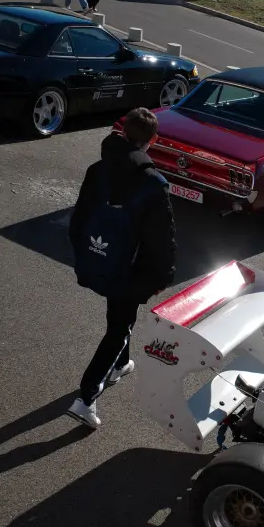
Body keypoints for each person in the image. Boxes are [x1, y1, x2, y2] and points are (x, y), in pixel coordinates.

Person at [67, 108, 177, 429]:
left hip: (100, 258)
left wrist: (87, 253)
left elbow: (79, 218)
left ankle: (120, 365)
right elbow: (162, 238)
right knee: (119, 328)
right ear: (153, 140)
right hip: (130, 269)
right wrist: (162, 275)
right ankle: (86, 398)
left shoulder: (97, 168)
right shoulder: (153, 182)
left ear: (124, 132)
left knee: (117, 315)